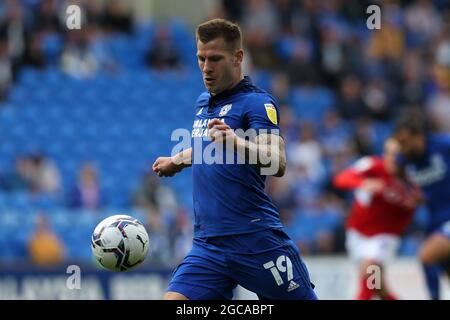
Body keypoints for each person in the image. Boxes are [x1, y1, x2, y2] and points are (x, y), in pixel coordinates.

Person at [152, 18, 317, 300]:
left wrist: (237, 142)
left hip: (255, 241)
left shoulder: (257, 103)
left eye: (215, 59)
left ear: (238, 57)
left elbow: (276, 162)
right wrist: (177, 160)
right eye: (201, 59)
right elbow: (210, 148)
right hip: (208, 245)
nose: (206, 68)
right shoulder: (203, 103)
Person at [334, 138, 422, 300]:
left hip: (384, 237)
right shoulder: (372, 165)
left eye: (396, 154)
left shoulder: (413, 180)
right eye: (387, 153)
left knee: (370, 272)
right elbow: (340, 179)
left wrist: (413, 203)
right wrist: (363, 182)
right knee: (378, 287)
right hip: (357, 233)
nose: (391, 158)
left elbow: (412, 210)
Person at [394, 118, 450, 300]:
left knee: (426, 255)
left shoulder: (443, 145)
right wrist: (413, 192)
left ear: (419, 137)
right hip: (436, 221)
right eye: (399, 144)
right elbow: (398, 173)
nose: (402, 148)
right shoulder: (404, 160)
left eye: (404, 142)